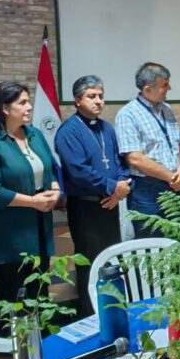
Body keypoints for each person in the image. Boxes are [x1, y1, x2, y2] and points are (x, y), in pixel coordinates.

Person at [0, 82, 60, 304]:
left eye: (29, 101)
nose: (29, 107)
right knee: (14, 293)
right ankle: (12, 338)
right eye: (22, 103)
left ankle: (40, 336)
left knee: (39, 288)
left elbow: (50, 168)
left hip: (41, 221)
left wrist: (55, 190)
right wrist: (32, 201)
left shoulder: (34, 134)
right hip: (10, 229)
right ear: (4, 108)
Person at [55, 75, 130, 315]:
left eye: (100, 96)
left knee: (111, 259)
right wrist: (112, 187)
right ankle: (90, 313)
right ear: (77, 100)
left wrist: (119, 190)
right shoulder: (69, 131)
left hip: (111, 204)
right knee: (90, 261)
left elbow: (120, 162)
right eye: (91, 96)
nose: (98, 101)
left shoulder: (106, 128)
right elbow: (78, 171)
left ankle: (113, 309)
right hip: (86, 208)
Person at [115, 62, 180, 238]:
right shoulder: (127, 114)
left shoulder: (166, 109)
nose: (169, 88)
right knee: (152, 246)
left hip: (173, 185)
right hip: (147, 190)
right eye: (165, 84)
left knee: (176, 242)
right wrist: (170, 177)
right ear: (148, 89)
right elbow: (135, 159)